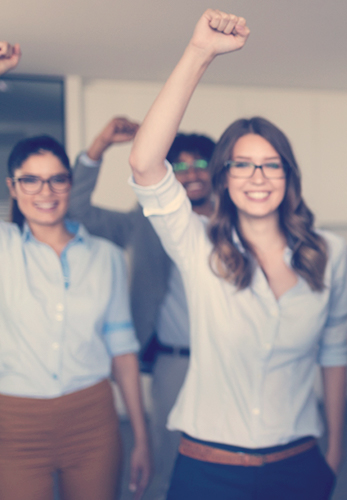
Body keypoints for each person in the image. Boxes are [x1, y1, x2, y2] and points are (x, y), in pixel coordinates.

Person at [127, 9, 347, 499]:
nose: (257, 176)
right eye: (242, 165)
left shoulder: (329, 252)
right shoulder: (198, 243)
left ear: (289, 176)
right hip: (208, 469)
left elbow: (334, 354)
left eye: (271, 165)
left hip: (299, 463)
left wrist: (334, 450)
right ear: (223, 178)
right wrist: (199, 53)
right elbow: (145, 164)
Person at [67, 118, 216, 499]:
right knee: (172, 458)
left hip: (242, 359)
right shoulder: (147, 221)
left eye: (200, 163)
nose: (191, 172)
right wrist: (99, 146)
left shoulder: (243, 222)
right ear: (166, 174)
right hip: (176, 362)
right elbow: (76, 211)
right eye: (178, 165)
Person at [0, 135, 150, 500]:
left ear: (70, 183)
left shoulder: (107, 257)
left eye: (57, 179)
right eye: (30, 180)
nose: (45, 191)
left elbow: (122, 350)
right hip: (14, 419)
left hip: (92, 418)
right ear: (13, 188)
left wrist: (143, 439)